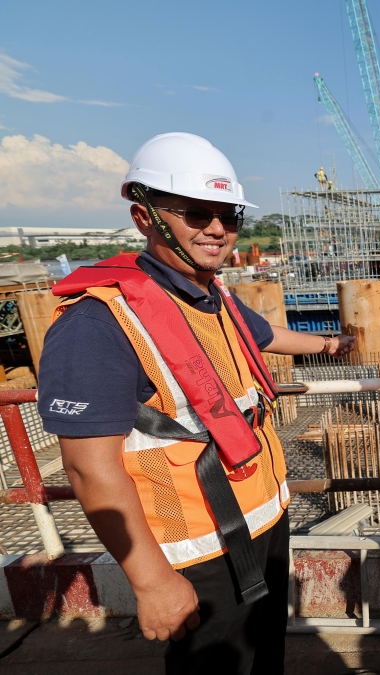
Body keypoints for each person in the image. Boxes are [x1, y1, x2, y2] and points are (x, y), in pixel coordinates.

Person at [37, 132, 355, 675]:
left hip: (264, 520)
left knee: (263, 658)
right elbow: (88, 469)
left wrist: (329, 345)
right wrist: (152, 580)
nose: (217, 228)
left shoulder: (211, 297)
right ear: (144, 218)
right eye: (195, 213)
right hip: (200, 551)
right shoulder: (99, 322)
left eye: (228, 215)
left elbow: (264, 334)